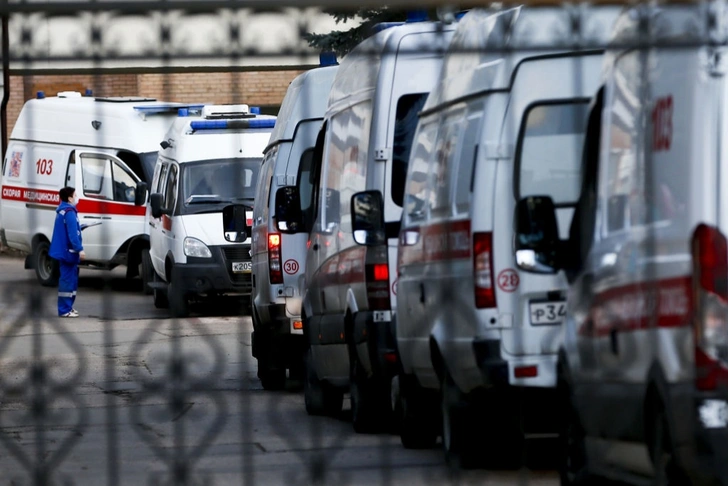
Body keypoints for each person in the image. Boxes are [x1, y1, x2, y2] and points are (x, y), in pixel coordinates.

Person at [49, 186, 86, 317]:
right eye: (75, 195)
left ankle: (68, 307)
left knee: (71, 279)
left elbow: (68, 230)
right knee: (67, 280)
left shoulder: (64, 210)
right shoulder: (69, 212)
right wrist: (80, 249)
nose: (77, 197)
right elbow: (72, 235)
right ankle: (64, 309)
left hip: (65, 251)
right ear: (69, 198)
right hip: (68, 252)